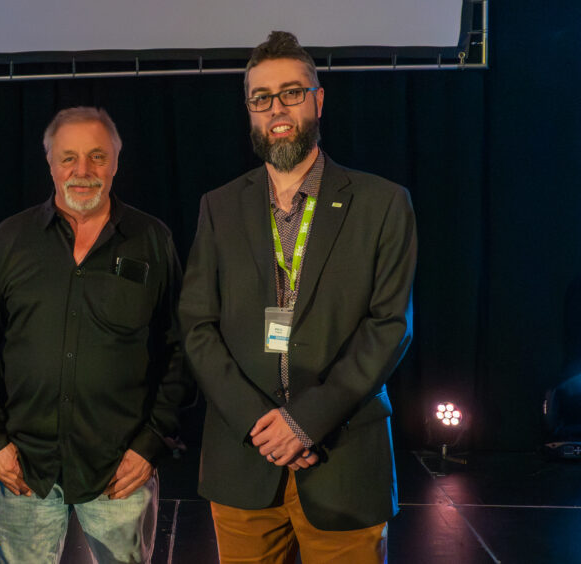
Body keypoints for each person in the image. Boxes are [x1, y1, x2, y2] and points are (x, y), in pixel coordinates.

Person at [179, 31, 417, 564]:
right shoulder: (218, 207)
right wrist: (260, 426)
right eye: (261, 98)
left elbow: (390, 327)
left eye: (291, 92)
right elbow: (197, 325)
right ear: (249, 110)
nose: (277, 109)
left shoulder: (382, 203)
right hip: (244, 460)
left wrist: (305, 421)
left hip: (344, 461)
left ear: (319, 98)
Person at [0, 107, 189, 564]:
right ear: (49, 161)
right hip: (22, 469)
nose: (82, 171)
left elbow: (180, 351)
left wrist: (150, 445)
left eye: (97, 157)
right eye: (68, 158)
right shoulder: (12, 238)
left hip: (120, 472)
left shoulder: (152, 239)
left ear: (116, 162)